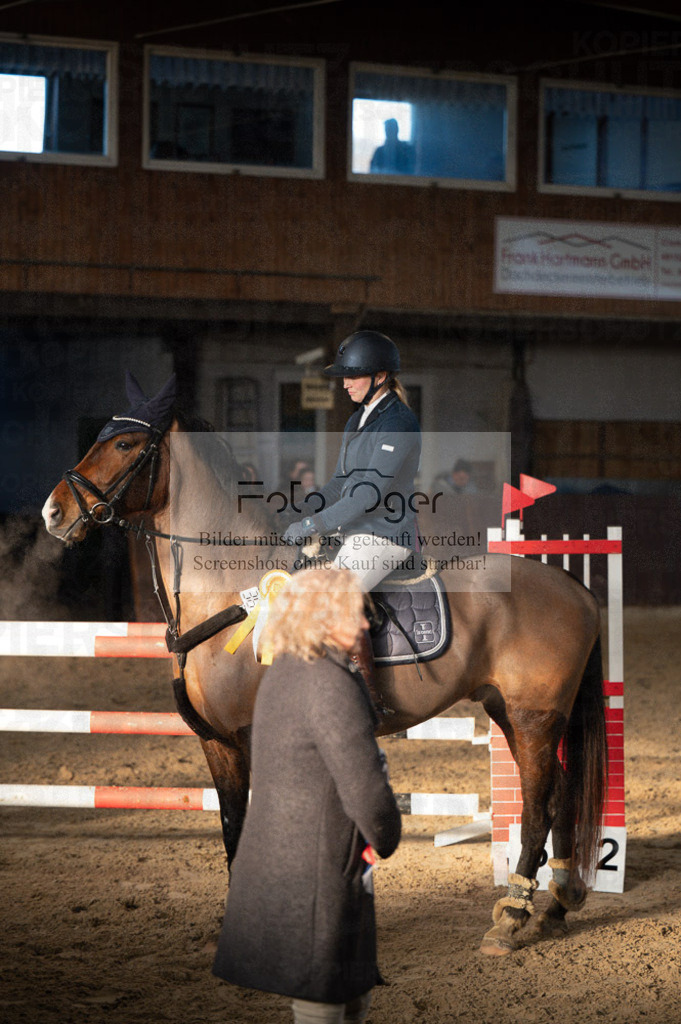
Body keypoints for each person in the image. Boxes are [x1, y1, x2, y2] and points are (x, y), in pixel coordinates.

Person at [212, 567, 402, 1024]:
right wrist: (388, 833)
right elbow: (364, 789)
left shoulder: (285, 671)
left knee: (347, 993)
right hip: (320, 865)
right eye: (352, 614)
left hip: (293, 856)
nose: (363, 625)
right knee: (322, 1001)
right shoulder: (332, 683)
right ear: (321, 617)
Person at [281, 330, 421, 705]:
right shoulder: (357, 420)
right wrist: (300, 508)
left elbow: (368, 494)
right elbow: (340, 484)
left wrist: (314, 525)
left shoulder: (398, 423)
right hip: (354, 533)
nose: (345, 384)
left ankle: (368, 700)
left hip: (385, 537)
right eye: (344, 376)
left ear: (379, 377)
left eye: (352, 376)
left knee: (334, 600)